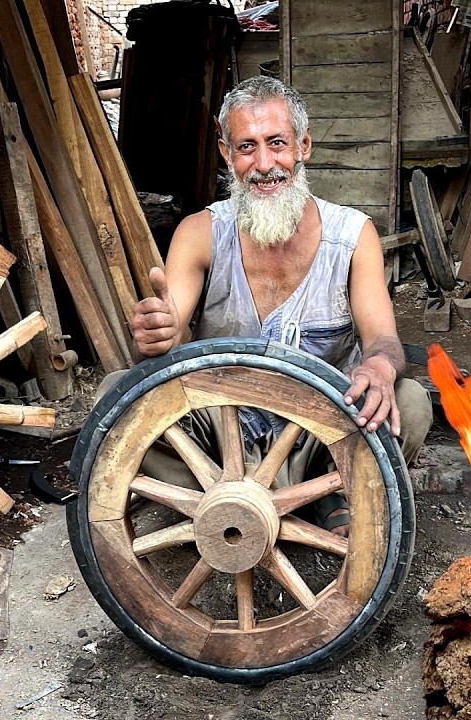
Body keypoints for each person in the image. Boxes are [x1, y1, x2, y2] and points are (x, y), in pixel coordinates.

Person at [127, 76, 433, 537]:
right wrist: (160, 334)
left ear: (303, 145)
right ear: (227, 154)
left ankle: (326, 492)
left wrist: (381, 368)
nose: (264, 164)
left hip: (320, 438)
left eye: (277, 143)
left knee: (408, 403)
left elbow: (384, 340)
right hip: (220, 439)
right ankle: (224, 502)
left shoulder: (352, 237)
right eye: (247, 147)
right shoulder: (200, 233)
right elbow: (166, 332)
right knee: (123, 394)